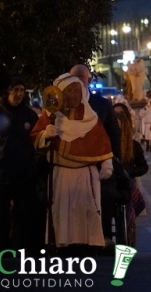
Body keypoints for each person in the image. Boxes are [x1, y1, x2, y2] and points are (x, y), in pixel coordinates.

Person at [31, 73, 114, 248]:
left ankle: (88, 242)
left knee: (85, 210)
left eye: (78, 90)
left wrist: (107, 164)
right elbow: (35, 139)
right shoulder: (51, 115)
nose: (75, 95)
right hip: (60, 173)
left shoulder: (91, 119)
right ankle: (61, 242)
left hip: (86, 174)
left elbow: (102, 142)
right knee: (62, 211)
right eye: (70, 91)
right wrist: (47, 134)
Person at [0, 76, 43, 253]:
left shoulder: (29, 115)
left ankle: (20, 250)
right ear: (8, 92)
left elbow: (37, 141)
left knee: (22, 216)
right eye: (16, 90)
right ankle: (2, 251)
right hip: (1, 175)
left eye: (22, 90)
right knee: (1, 217)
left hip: (24, 175)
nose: (19, 94)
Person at [104, 104, 148, 247]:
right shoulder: (107, 143)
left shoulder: (133, 145)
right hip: (110, 183)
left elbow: (143, 167)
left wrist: (128, 173)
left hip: (125, 185)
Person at [70, 64, 121, 159]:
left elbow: (113, 133)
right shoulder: (64, 104)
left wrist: (114, 159)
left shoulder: (102, 104)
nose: (76, 81)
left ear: (88, 80)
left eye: (81, 77)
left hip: (97, 161)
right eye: (73, 77)